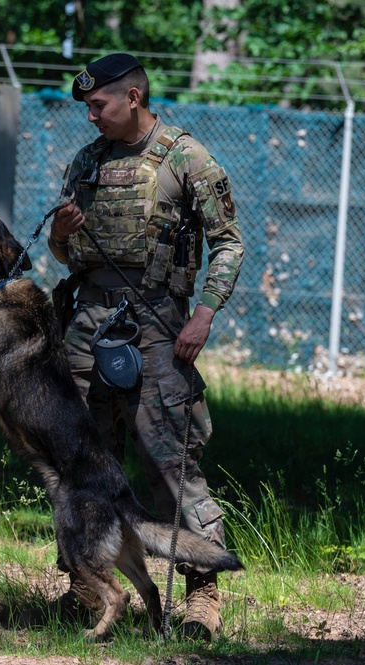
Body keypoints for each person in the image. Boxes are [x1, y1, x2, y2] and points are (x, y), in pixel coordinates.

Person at [48, 53, 244, 641]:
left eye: (98, 105)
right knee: (83, 463)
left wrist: (204, 314)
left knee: (170, 462)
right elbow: (66, 255)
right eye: (87, 107)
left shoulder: (187, 158)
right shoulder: (88, 161)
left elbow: (228, 243)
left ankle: (202, 592)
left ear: (133, 98)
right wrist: (59, 237)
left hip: (158, 327)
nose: (91, 116)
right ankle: (88, 585)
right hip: (88, 326)